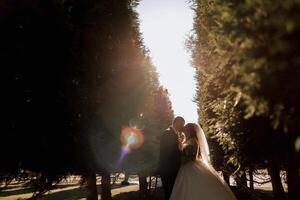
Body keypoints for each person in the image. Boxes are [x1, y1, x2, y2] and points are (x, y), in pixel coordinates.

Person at [170, 123, 237, 200]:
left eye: (186, 129)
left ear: (190, 131)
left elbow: (192, 157)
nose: (184, 130)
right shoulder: (187, 140)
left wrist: (183, 155)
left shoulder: (193, 140)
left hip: (190, 166)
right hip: (186, 166)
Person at [159, 116, 185, 200]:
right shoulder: (168, 133)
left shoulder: (173, 133)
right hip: (168, 169)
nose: (182, 127)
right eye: (182, 124)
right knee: (169, 193)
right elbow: (169, 152)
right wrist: (182, 154)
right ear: (177, 123)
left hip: (171, 169)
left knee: (172, 193)